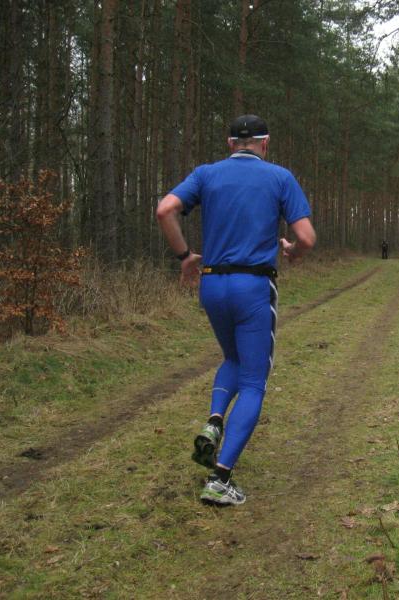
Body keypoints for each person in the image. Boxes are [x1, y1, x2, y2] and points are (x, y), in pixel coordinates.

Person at [156, 114, 316, 506]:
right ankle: (220, 479)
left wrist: (184, 256)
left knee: (233, 357)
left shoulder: (205, 174)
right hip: (253, 286)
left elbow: (165, 210)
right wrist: (293, 251)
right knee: (254, 381)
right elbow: (307, 237)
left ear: (230, 144)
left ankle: (214, 422)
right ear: (265, 142)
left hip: (212, 283)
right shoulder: (280, 178)